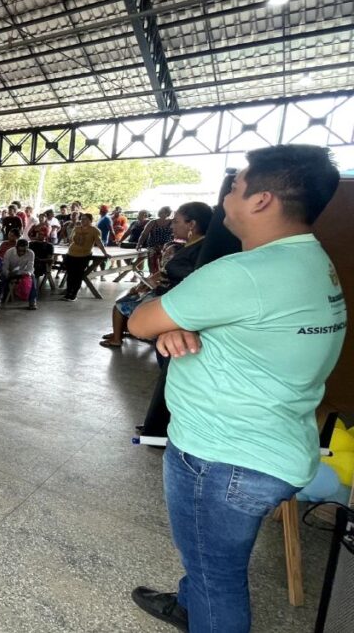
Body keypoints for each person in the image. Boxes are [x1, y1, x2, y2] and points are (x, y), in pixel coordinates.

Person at [127, 144, 345, 633]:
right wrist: (181, 326)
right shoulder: (311, 263)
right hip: (272, 444)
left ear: (262, 199)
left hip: (223, 458)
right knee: (207, 560)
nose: (226, 197)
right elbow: (256, 332)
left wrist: (168, 321)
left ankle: (201, 608)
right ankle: (189, 604)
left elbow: (139, 319)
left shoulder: (243, 274)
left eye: (236, 186)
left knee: (217, 580)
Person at [100, 202, 212, 348]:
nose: (172, 226)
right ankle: (121, 332)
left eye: (176, 222)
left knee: (122, 304)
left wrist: (155, 285)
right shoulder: (189, 246)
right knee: (129, 297)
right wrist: (149, 283)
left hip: (173, 303)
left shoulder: (200, 250)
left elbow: (192, 281)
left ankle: (118, 337)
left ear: (191, 224)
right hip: (166, 296)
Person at [62, 213, 109, 301]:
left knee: (78, 275)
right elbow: (71, 240)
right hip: (71, 254)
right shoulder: (76, 228)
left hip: (83, 255)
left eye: (85, 219)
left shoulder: (95, 230)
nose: (83, 220)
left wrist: (105, 253)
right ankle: (68, 293)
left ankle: (74, 294)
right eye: (82, 219)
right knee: (70, 275)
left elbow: (99, 242)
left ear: (90, 220)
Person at [1, 239, 38, 310]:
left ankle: (32, 301)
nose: (21, 253)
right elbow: (5, 267)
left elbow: (30, 268)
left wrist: (28, 274)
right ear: (16, 247)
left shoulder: (31, 253)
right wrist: (8, 273)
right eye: (20, 250)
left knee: (33, 278)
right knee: (2, 277)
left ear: (27, 248)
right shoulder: (9, 252)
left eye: (24, 251)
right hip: (10, 272)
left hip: (22, 272)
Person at [138, 206, 174, 271]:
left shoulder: (172, 222)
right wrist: (139, 244)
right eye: (159, 211)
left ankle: (162, 274)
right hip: (153, 245)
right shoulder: (153, 222)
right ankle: (152, 273)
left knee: (164, 264)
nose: (159, 213)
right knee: (152, 260)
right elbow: (144, 234)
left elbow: (177, 234)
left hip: (166, 247)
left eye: (162, 212)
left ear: (167, 213)